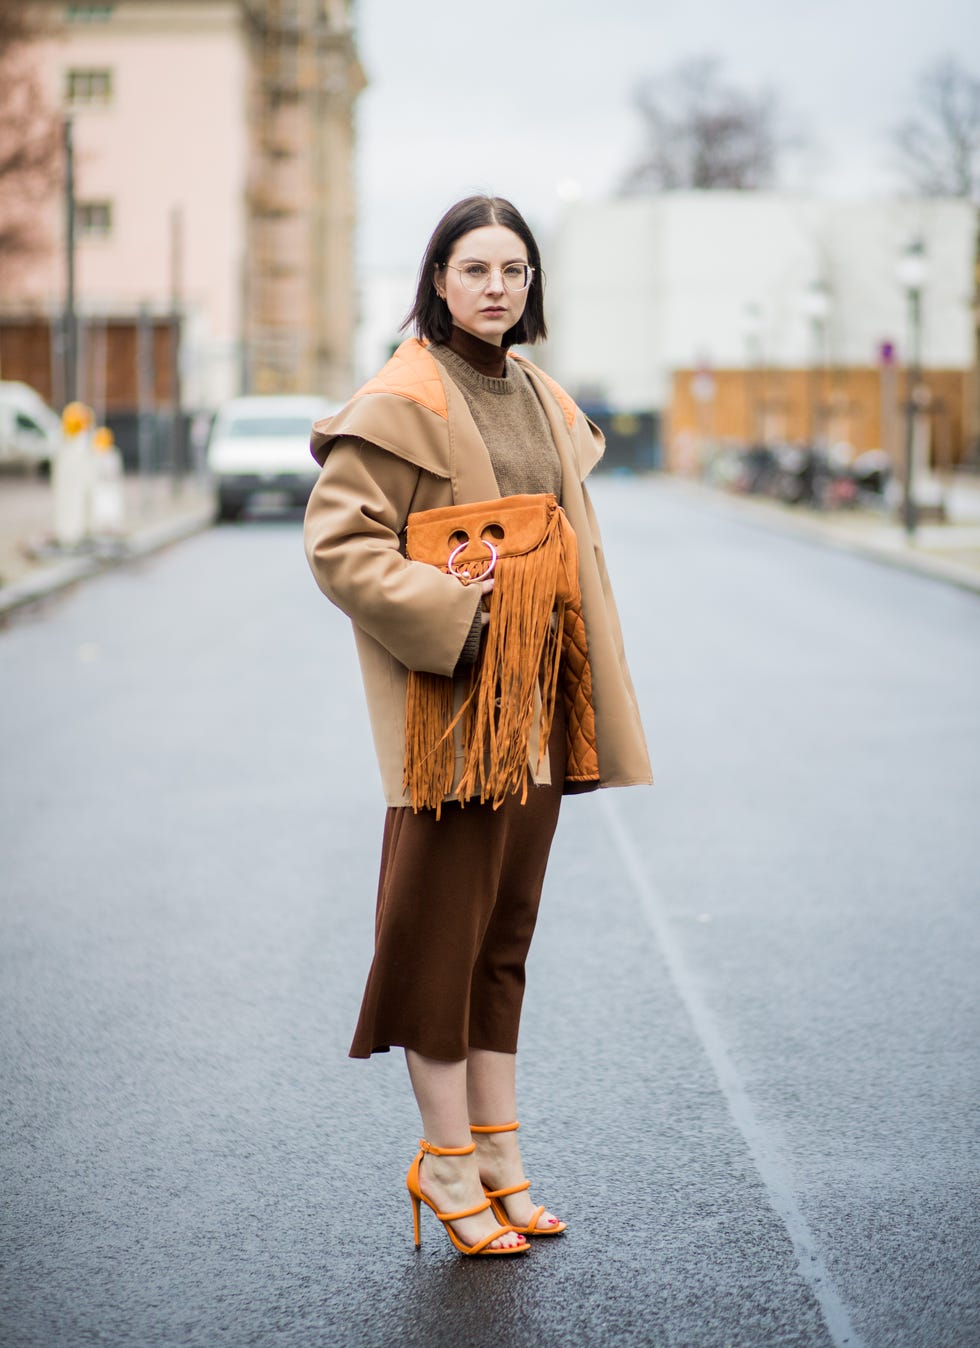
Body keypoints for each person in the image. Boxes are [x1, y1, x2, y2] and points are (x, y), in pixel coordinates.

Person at [304, 195, 651, 1258]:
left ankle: (497, 1154)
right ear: (436, 281)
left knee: (502, 939)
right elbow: (337, 541)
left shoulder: (539, 395)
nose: (496, 286)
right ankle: (443, 1160)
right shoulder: (407, 394)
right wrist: (458, 621)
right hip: (453, 710)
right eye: (474, 268)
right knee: (435, 947)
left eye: (514, 269)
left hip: (537, 707)